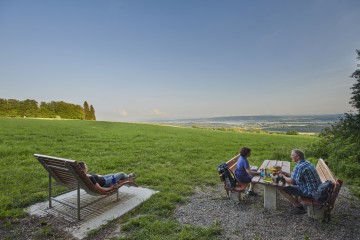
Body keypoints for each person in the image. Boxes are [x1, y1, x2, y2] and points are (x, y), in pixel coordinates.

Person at [279, 149, 321, 214]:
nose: (291, 156)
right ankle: (296, 201)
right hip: (316, 189)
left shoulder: (299, 166)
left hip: (310, 192)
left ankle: (297, 205)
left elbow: (292, 181)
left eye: (292, 155)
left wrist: (283, 176)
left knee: (281, 187)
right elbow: (296, 176)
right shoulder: (306, 163)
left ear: (298, 157)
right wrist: (286, 173)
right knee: (292, 184)